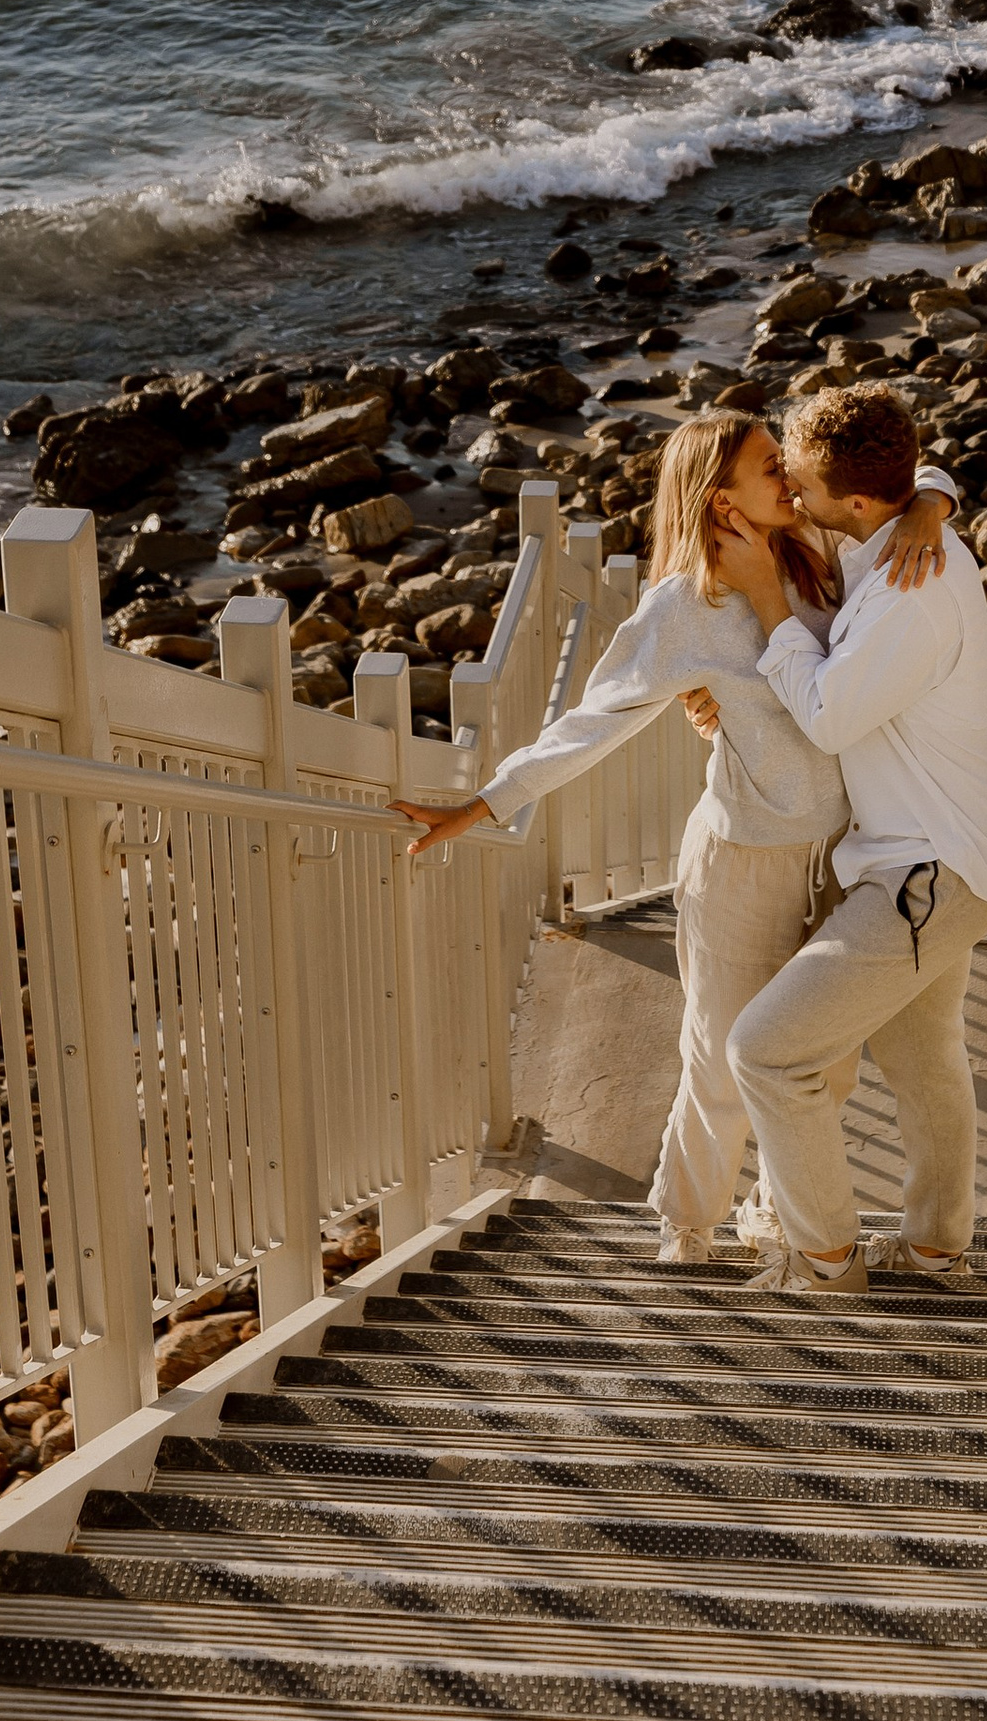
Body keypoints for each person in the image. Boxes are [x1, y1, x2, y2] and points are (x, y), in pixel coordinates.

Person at [395, 410, 952, 1262]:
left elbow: (905, 476)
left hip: (848, 857)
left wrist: (927, 509)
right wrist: (484, 805)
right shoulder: (683, 605)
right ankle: (687, 1227)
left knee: (821, 1066)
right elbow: (592, 721)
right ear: (719, 497)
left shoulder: (823, 549)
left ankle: (776, 1214)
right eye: (772, 466)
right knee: (723, 1067)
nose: (792, 477)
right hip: (741, 863)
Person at [715, 384, 987, 1295]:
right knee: (920, 1056)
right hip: (947, 855)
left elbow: (825, 714)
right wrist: (934, 497)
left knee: (767, 1053)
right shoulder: (907, 528)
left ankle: (824, 1262)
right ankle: (935, 1248)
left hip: (926, 870)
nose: (793, 494)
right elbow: (922, 475)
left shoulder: (907, 594)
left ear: (856, 503)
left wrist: (765, 595)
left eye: (803, 483)